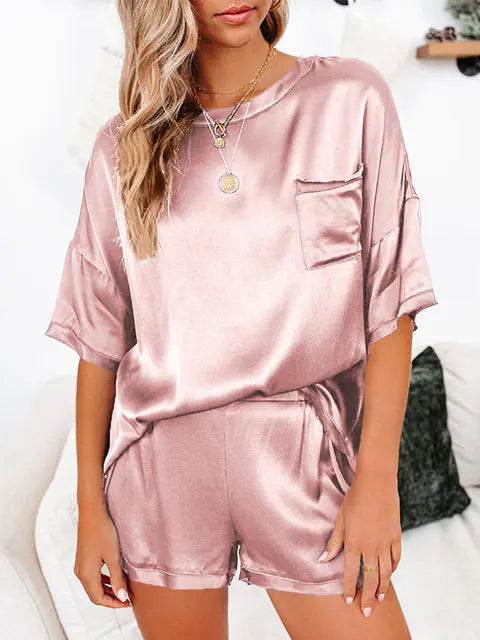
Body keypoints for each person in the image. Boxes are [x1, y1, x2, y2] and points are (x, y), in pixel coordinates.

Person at [44, 0, 438, 638]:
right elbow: (100, 339)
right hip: (163, 470)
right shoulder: (124, 145)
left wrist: (377, 481)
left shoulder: (350, 99)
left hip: (307, 461)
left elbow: (392, 305)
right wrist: (91, 508)